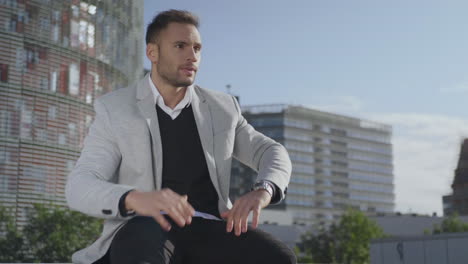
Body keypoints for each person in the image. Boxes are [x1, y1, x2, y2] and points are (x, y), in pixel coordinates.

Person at [65, 9, 295, 264]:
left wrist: (264, 189)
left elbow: (271, 151)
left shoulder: (222, 108)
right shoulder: (115, 109)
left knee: (279, 258)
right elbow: (80, 185)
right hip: (146, 225)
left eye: (197, 48)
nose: (192, 56)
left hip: (209, 227)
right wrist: (134, 198)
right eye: (180, 46)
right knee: (139, 250)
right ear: (152, 52)